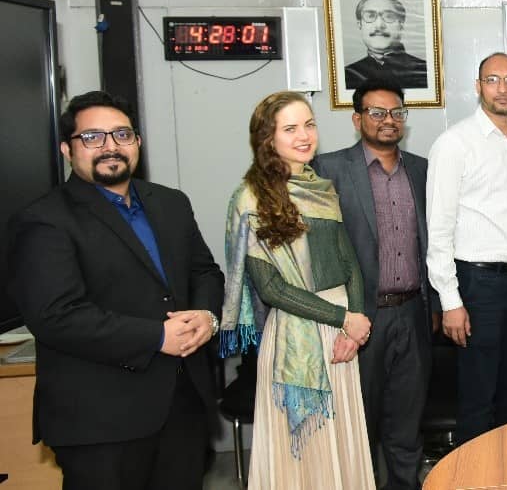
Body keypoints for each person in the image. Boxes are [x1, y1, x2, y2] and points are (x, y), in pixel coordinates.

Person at [7, 91, 223, 490]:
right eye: (92, 137)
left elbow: (205, 272)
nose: (110, 146)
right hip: (100, 423)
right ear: (66, 149)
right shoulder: (43, 220)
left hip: (182, 407)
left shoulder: (171, 203)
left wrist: (207, 317)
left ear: (137, 142)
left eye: (122, 134)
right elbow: (55, 316)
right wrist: (157, 336)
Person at [219, 91, 375, 490]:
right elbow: (272, 289)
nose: (305, 135)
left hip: (344, 335)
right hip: (297, 331)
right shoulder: (251, 199)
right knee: (304, 455)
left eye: (309, 124)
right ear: (267, 138)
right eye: (290, 128)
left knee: (343, 447)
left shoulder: (321, 188)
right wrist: (344, 319)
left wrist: (355, 324)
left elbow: (349, 263)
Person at [312, 78, 430, 490]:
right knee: (358, 429)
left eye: (397, 112)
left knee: (407, 429)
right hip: (360, 319)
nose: (388, 120)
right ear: (357, 118)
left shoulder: (421, 169)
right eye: (377, 112)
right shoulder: (328, 169)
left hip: (413, 314)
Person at [426, 52, 507, 442]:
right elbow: (439, 229)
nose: (503, 88)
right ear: (478, 87)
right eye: (493, 80)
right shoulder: (454, 143)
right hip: (478, 286)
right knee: (478, 397)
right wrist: (451, 301)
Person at [344, 0, 429, 89]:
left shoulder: (424, 71)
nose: (379, 25)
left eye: (388, 16)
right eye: (371, 16)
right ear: (360, 24)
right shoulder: (348, 74)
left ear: (401, 25)